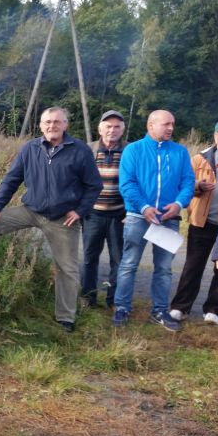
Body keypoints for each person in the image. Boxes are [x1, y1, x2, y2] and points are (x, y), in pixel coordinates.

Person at [0, 107, 103, 332]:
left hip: (63, 218)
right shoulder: (30, 148)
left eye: (57, 122)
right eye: (47, 122)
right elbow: (12, 179)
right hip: (31, 210)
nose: (52, 126)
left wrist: (80, 211)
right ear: (41, 126)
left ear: (65, 125)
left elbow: (94, 186)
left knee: (67, 268)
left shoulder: (79, 150)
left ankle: (66, 317)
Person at [111, 110, 194, 331]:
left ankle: (159, 311)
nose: (171, 128)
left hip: (168, 218)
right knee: (129, 264)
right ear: (150, 125)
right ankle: (122, 307)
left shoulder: (180, 152)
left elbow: (188, 182)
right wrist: (144, 206)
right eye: (166, 124)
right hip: (138, 216)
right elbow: (127, 183)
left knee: (164, 268)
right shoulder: (133, 150)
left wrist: (179, 203)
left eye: (172, 124)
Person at [169, 121, 218, 325]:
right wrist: (198, 186)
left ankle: (214, 310)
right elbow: (183, 185)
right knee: (193, 265)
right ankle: (180, 308)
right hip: (202, 220)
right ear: (215, 135)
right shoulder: (199, 159)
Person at [81, 110, 127, 308]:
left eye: (117, 127)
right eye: (108, 126)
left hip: (120, 215)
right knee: (89, 258)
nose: (112, 130)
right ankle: (88, 297)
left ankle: (114, 299)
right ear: (100, 129)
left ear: (122, 130)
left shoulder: (130, 150)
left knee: (118, 260)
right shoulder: (87, 149)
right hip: (92, 214)